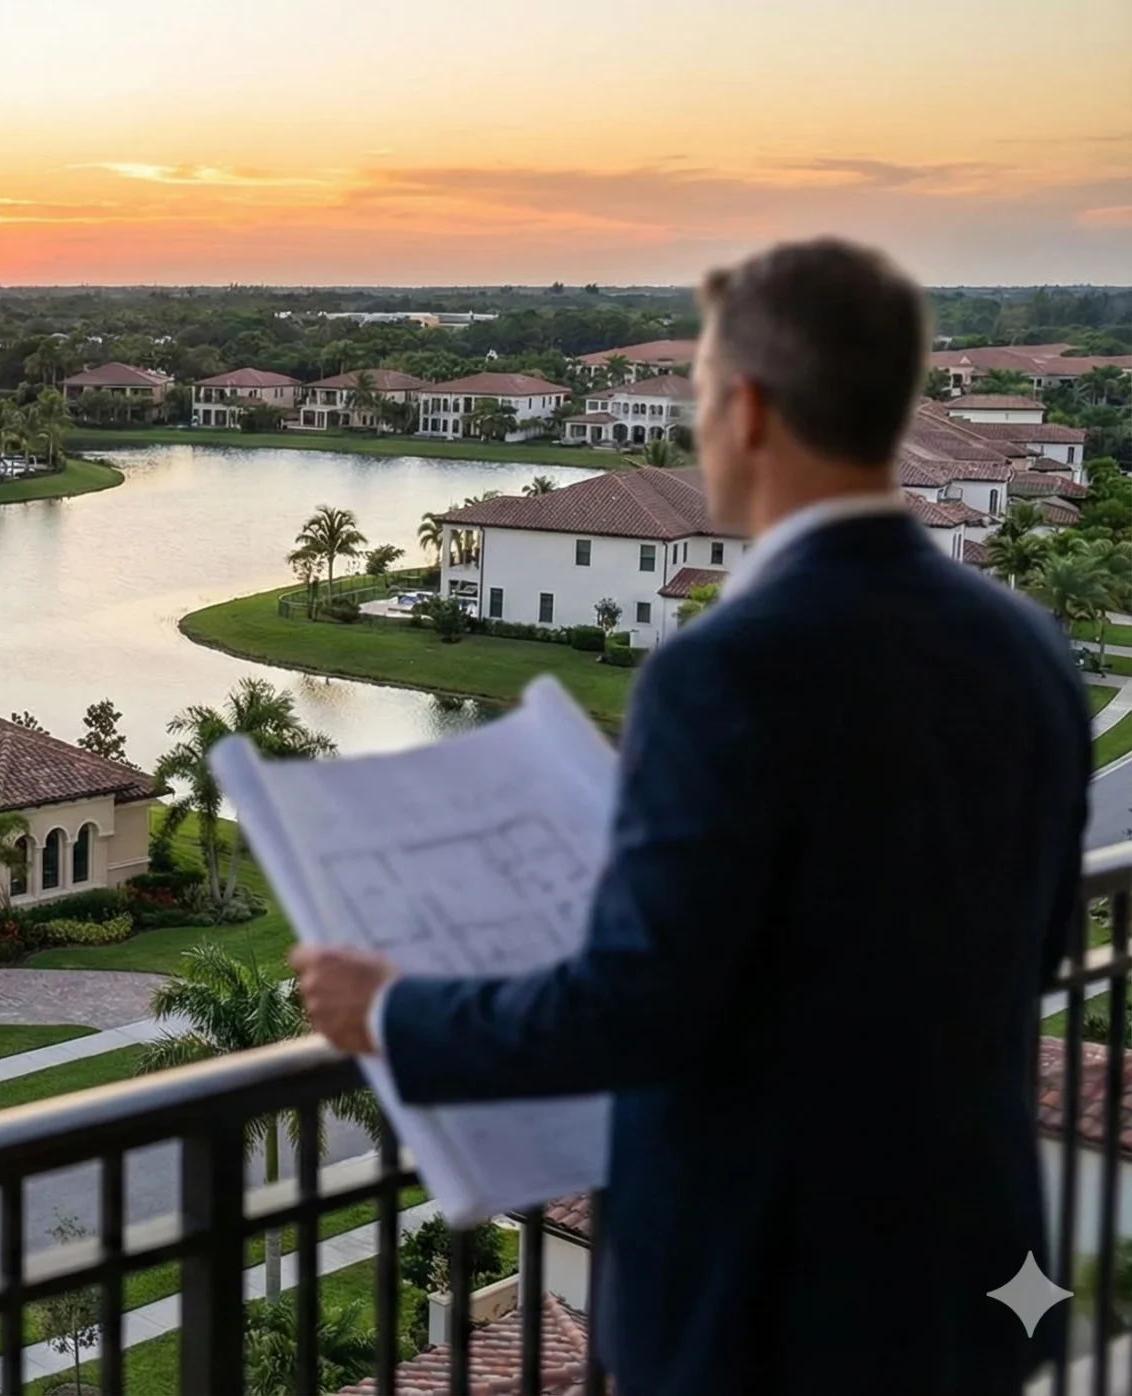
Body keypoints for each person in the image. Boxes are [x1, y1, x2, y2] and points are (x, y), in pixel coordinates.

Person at [291, 239, 1088, 1396]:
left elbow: (639, 1004)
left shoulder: (729, 667)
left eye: (702, 392)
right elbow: (1042, 940)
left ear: (749, 408)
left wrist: (396, 1012)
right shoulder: (1025, 645)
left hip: (768, 1296)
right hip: (968, 1260)